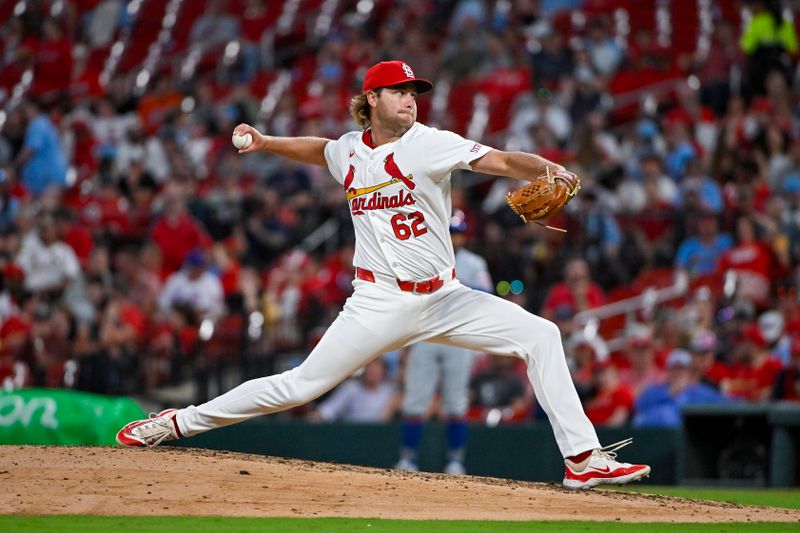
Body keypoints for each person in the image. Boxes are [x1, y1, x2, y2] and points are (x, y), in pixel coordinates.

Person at [116, 60, 650, 489]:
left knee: (542, 334)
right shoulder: (349, 150)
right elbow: (320, 150)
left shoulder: (430, 142)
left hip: (446, 295)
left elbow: (504, 162)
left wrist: (548, 169)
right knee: (300, 385)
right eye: (398, 91)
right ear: (371, 100)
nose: (410, 99)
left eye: (414, 91)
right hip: (378, 301)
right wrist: (268, 143)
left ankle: (583, 460)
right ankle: (177, 422)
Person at [395, 209, 493, 475]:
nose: (454, 238)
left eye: (457, 233)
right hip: (425, 334)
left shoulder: (474, 263)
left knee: (455, 402)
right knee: (415, 400)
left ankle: (455, 460)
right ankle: (408, 458)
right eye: (451, 232)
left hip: (458, 336)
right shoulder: (423, 256)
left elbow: (485, 293)